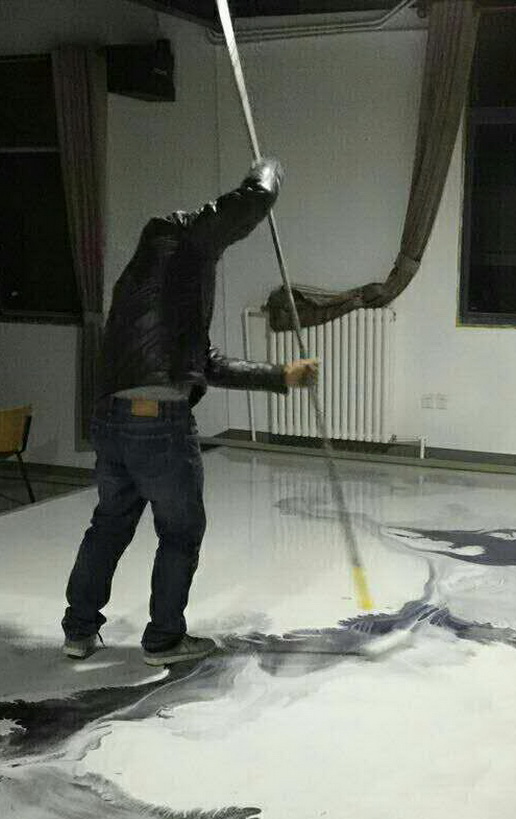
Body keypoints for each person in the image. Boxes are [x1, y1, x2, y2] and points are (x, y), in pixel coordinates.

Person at [61, 157, 317, 666]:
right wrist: (269, 169)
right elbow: (253, 201)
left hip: (112, 421)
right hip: (158, 424)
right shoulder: (182, 239)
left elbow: (204, 362)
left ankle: (79, 630)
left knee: (109, 525)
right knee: (180, 532)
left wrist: (279, 375)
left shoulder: (143, 288)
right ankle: (164, 640)